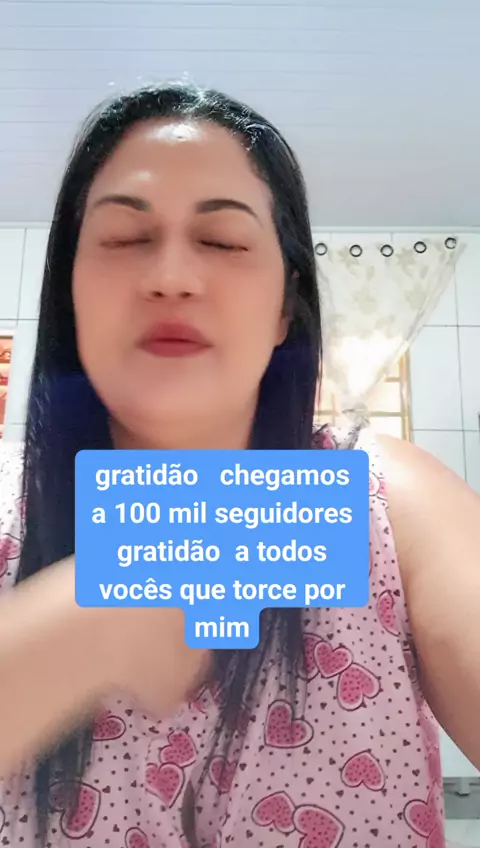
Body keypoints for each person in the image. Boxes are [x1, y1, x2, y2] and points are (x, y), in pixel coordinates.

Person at [0, 83, 478, 848]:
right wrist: (67, 636)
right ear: (71, 291)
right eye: (125, 237)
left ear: (286, 304)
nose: (172, 276)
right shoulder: (7, 524)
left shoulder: (389, 503)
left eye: (222, 241)